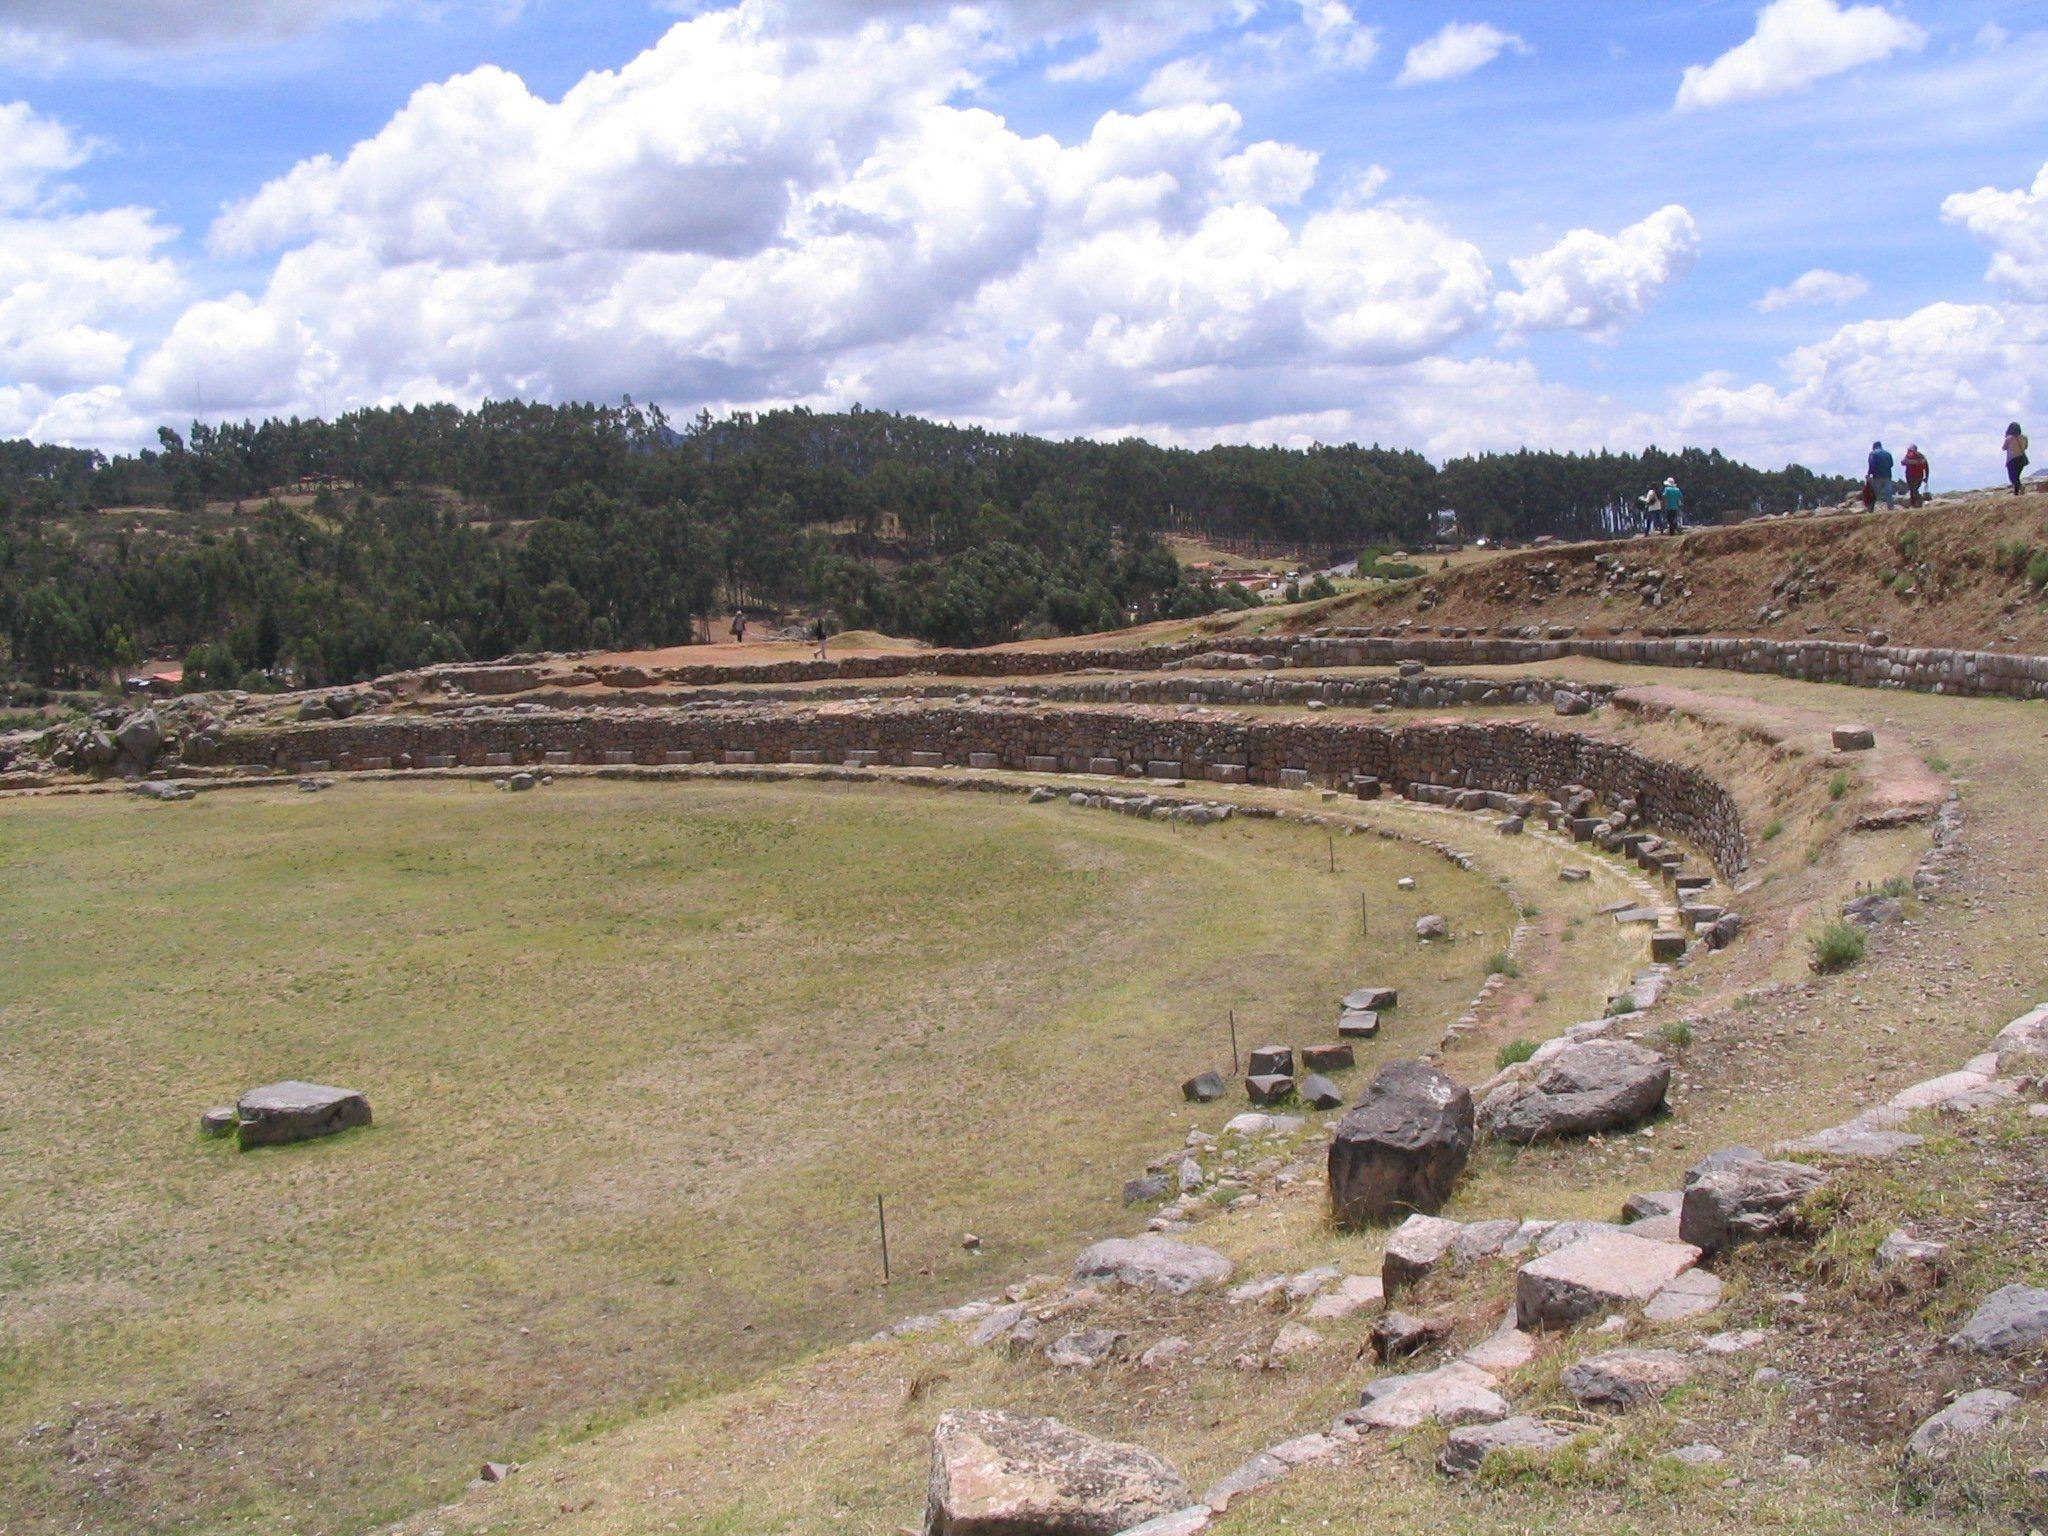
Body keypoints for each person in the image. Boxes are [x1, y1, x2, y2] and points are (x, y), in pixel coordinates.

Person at [1867, 441, 1895, 508]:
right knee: (1888, 493)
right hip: (1887, 476)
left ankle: (1870, 509)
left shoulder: (1872, 454)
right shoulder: (1888, 453)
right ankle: (1890, 508)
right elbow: (1891, 464)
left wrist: (1869, 474)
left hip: (1877, 476)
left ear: (1874, 447)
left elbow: (1871, 465)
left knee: (1874, 493)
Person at [2007, 422, 2031, 495]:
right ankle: (2016, 492)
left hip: (2012, 459)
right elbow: (2026, 447)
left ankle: (2019, 488)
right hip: (2021, 459)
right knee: (2017, 476)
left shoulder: (2009, 438)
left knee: (2012, 477)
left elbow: (2004, 447)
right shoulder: (2024, 437)